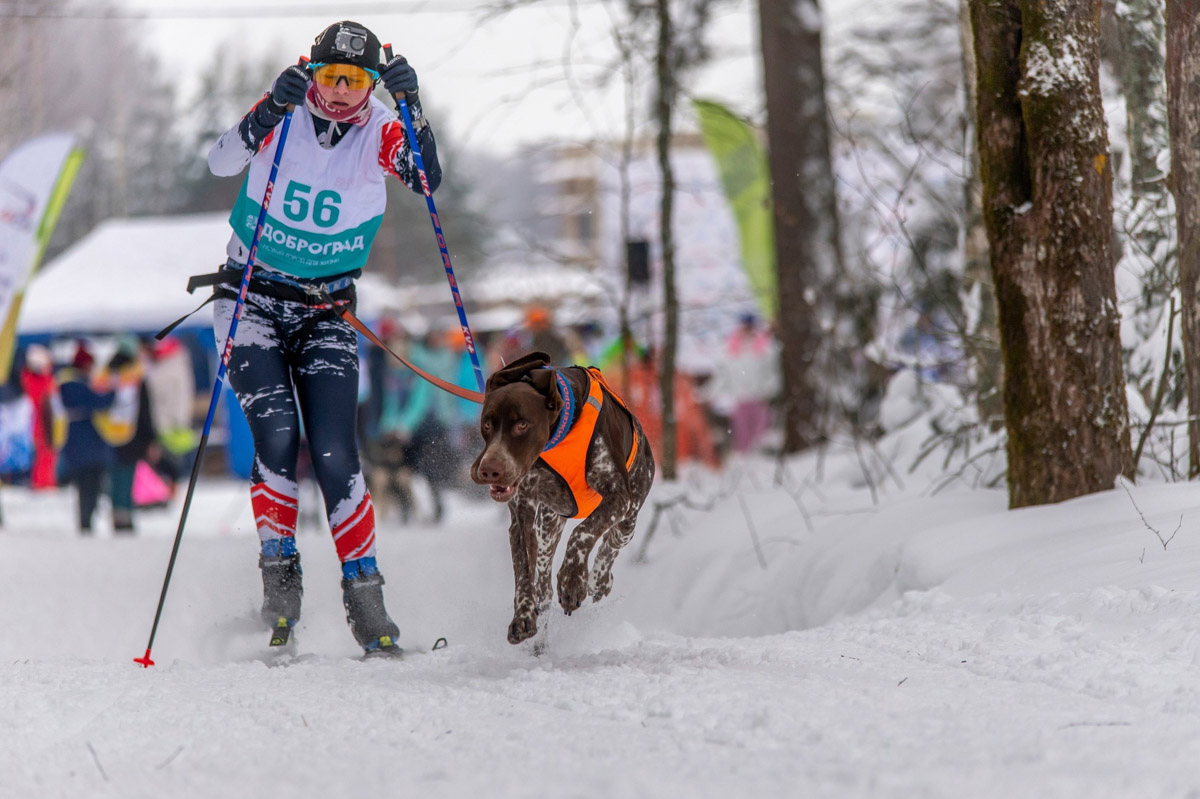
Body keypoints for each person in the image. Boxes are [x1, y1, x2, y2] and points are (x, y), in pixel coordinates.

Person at [205, 20, 441, 656]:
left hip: (324, 311)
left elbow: (426, 180)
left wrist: (413, 105)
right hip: (250, 302)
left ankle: (368, 603)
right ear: (313, 71)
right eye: (331, 76)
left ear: (371, 84)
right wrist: (268, 109)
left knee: (337, 450)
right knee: (278, 434)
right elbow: (220, 159)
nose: (341, 92)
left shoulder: (381, 129)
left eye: (357, 80)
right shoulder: (282, 111)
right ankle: (280, 586)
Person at [53, 341, 114, 534]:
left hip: (76, 443)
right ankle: (87, 521)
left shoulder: (65, 381)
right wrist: (111, 392)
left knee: (85, 486)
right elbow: (99, 402)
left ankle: (86, 520)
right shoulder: (75, 383)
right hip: (88, 444)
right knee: (90, 485)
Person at [103, 342, 158, 533]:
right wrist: (151, 438)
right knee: (127, 477)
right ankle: (126, 514)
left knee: (114, 477)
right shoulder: (137, 379)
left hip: (109, 435)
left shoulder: (106, 379)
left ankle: (116, 514)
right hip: (133, 437)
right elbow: (145, 411)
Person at [19, 344, 57, 489]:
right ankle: (43, 481)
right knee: (44, 452)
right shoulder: (37, 381)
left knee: (44, 452)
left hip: (37, 421)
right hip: (39, 422)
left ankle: (43, 481)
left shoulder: (27, 378)